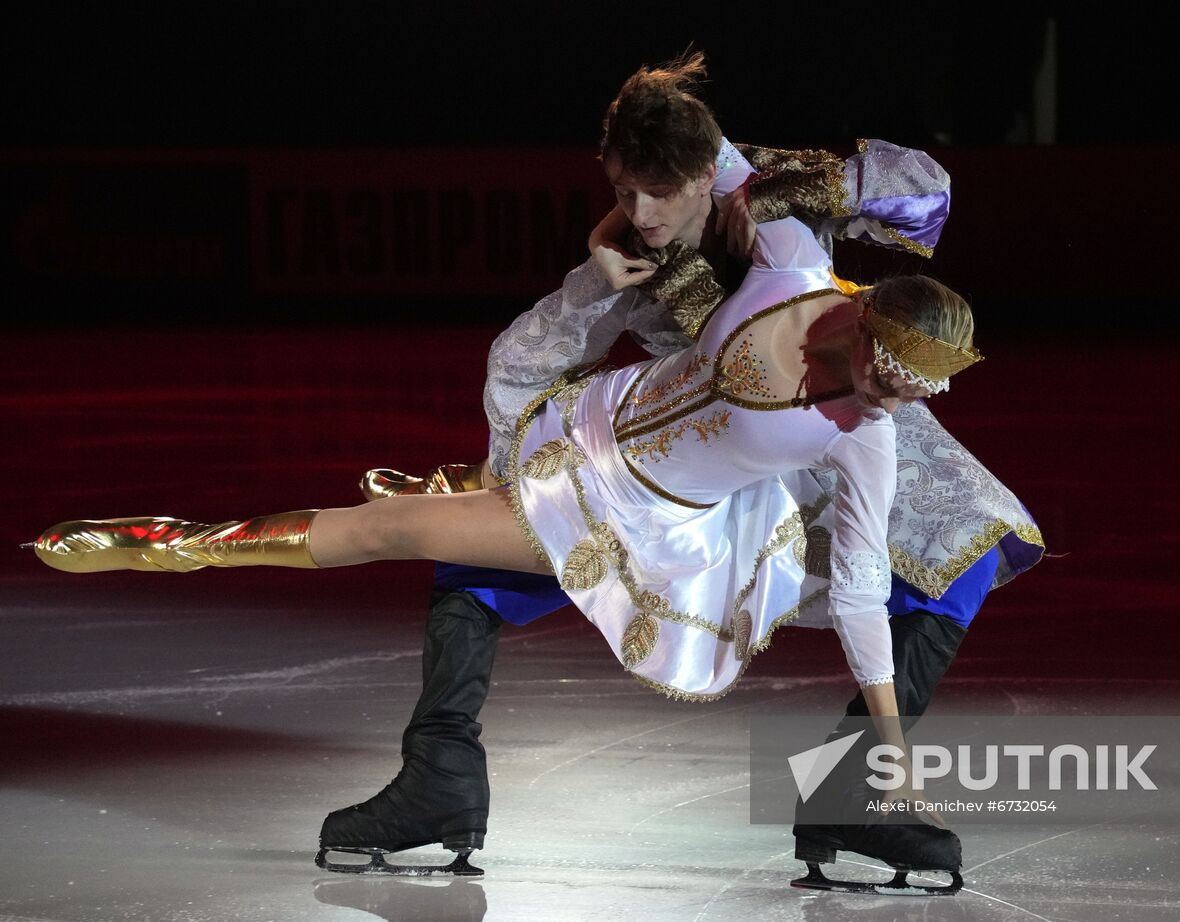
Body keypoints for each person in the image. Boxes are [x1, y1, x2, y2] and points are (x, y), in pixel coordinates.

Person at [35, 249, 981, 894]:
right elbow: (705, 166)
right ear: (860, 319)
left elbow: (858, 587)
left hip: (638, 520)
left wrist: (889, 748)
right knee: (437, 542)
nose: (893, 397)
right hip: (583, 435)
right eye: (889, 370)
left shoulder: (871, 439)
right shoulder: (786, 271)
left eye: (917, 390)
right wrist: (616, 229)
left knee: (396, 529)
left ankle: (172, 542)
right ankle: (439, 781)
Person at [334, 55, 1041, 887]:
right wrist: (584, 291)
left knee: (960, 549)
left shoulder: (769, 196)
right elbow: (525, 370)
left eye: (658, 193)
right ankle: (439, 776)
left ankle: (854, 793)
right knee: (491, 547)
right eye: (624, 192)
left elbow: (925, 190)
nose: (640, 213)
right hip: (688, 459)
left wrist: (797, 189)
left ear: (708, 171)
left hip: (848, 418)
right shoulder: (633, 251)